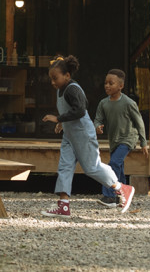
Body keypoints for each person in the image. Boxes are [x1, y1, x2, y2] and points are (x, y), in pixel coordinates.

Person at [40, 56, 135, 218]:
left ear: (67, 76)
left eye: (55, 78)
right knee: (65, 167)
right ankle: (63, 206)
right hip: (70, 135)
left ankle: (121, 187)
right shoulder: (61, 90)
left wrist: (59, 119)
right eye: (51, 79)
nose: (53, 82)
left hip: (83, 134)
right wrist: (62, 123)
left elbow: (80, 109)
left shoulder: (73, 89)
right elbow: (68, 110)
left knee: (92, 167)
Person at [94, 68, 149, 208]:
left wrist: (143, 142)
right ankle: (123, 195)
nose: (107, 86)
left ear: (120, 86)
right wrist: (97, 127)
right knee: (120, 167)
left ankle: (109, 196)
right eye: (105, 83)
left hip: (128, 139)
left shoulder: (129, 103)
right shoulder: (103, 103)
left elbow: (139, 122)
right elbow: (98, 119)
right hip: (114, 140)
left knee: (113, 164)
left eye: (111, 83)